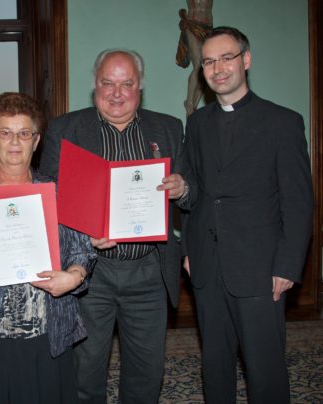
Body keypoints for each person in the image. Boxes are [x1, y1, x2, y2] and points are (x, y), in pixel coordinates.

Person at [39, 49, 193, 403]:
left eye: (127, 84)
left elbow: (191, 195)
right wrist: (82, 235)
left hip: (149, 271)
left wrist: (182, 188)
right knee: (85, 370)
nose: (117, 93)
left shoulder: (168, 128)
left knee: (146, 370)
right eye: (108, 83)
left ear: (141, 87)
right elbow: (46, 202)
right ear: (95, 85)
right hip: (91, 273)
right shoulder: (65, 129)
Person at [184, 26, 313, 403]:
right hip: (207, 265)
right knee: (215, 365)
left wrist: (289, 265)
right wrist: (190, 250)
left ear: (246, 60)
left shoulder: (283, 122)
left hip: (260, 268)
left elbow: (299, 201)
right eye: (208, 61)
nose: (217, 68)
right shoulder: (197, 123)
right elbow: (200, 192)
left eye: (226, 57)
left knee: (265, 367)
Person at [0, 92, 96, 404]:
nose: (15, 142)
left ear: (37, 140)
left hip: (47, 333)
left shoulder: (59, 193)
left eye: (24, 133)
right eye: (5, 133)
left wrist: (74, 276)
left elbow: (83, 250)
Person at [176, 0, 213, 116]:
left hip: (208, 27)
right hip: (193, 25)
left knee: (207, 68)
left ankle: (194, 105)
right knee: (198, 65)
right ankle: (189, 103)